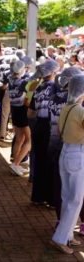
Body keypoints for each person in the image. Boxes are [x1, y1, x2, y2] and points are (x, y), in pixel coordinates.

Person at [51, 74, 84, 254]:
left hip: (66, 152)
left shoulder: (67, 107)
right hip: (77, 154)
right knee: (75, 199)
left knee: (67, 197)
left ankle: (68, 235)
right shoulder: (79, 110)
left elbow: (58, 129)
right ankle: (60, 237)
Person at [47, 67, 82, 213]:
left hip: (55, 144)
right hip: (74, 148)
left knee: (60, 185)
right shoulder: (76, 103)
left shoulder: (55, 96)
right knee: (75, 191)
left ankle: (59, 216)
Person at [28, 59, 59, 204]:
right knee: (51, 162)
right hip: (50, 126)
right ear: (53, 72)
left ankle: (37, 197)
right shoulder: (55, 88)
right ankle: (51, 199)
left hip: (38, 127)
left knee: (39, 161)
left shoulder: (38, 88)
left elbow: (31, 112)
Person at [4, 60, 31, 176]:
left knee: (19, 138)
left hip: (14, 110)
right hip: (22, 111)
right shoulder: (24, 82)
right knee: (30, 140)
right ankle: (16, 163)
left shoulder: (10, 78)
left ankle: (16, 164)